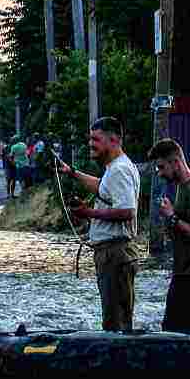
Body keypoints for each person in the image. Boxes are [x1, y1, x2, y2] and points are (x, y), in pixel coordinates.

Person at [57, 116, 141, 332]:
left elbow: (127, 211)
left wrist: (89, 212)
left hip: (116, 253)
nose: (90, 144)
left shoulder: (120, 169)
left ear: (113, 140)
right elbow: (103, 187)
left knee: (116, 323)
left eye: (95, 139)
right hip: (113, 253)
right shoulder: (115, 168)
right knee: (114, 319)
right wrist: (73, 173)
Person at [149, 138, 190, 334]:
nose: (160, 173)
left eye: (161, 167)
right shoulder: (178, 188)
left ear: (176, 162)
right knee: (171, 331)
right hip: (182, 271)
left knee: (186, 333)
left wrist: (172, 217)